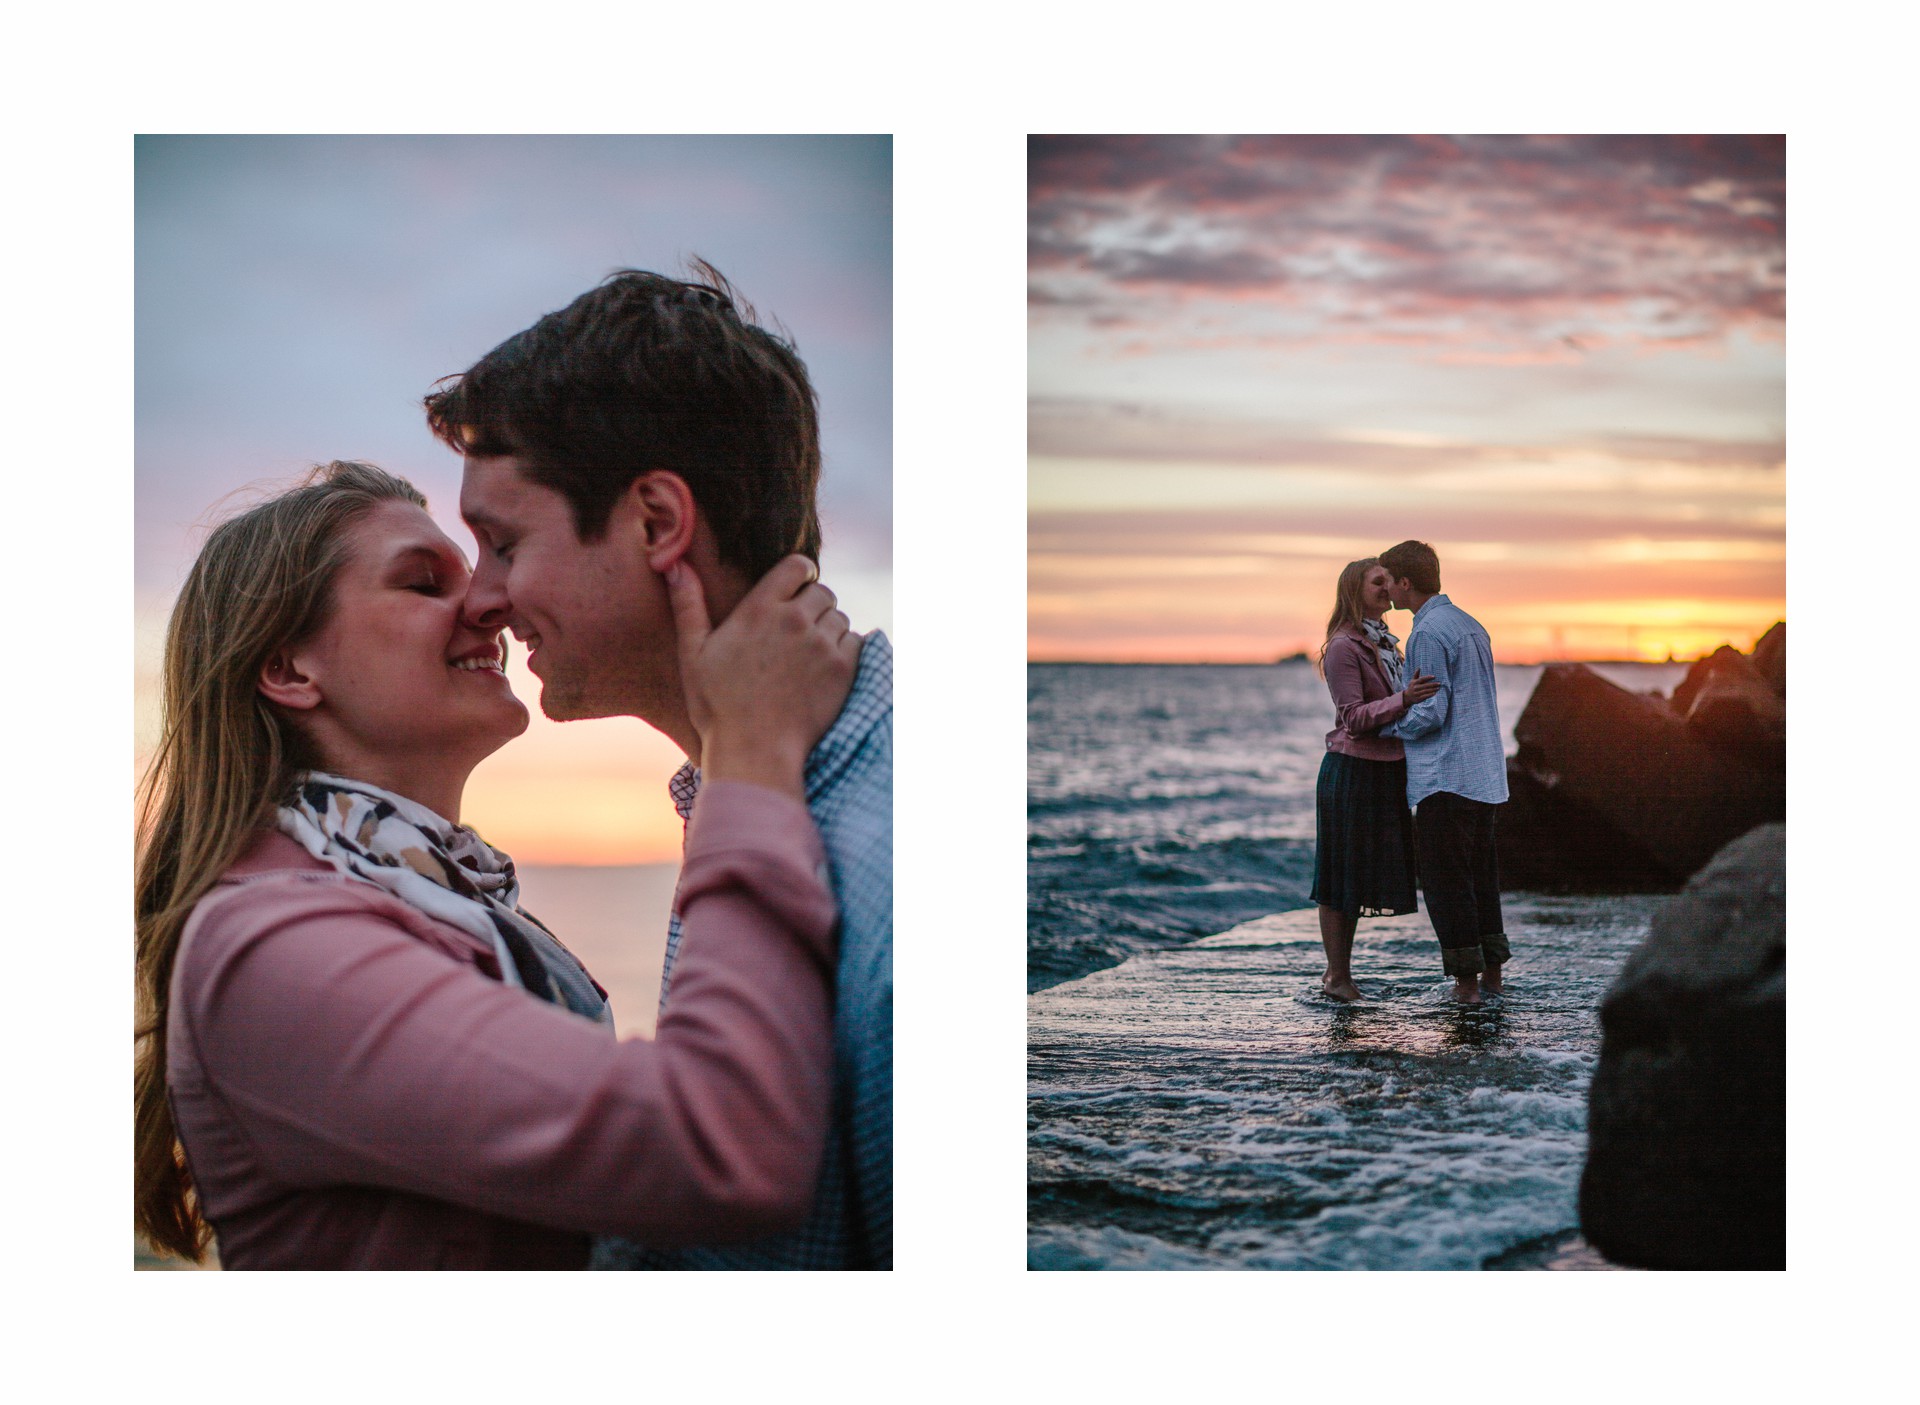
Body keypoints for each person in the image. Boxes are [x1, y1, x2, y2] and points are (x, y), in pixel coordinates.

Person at [134, 460, 860, 1269]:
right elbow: (716, 1144)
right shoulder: (267, 951)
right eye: (422, 582)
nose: (488, 602)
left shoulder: (437, 895)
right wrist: (749, 760)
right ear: (290, 669)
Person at [423, 261, 893, 1270]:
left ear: (655, 523)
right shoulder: (757, 788)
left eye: (501, 543)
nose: (482, 599)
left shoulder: (886, 863)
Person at [1376, 540, 1511, 1004]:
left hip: (1446, 777)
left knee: (1447, 884)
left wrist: (1387, 725)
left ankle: (1466, 988)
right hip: (1484, 776)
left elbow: (1431, 712)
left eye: (1389, 579)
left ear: (1405, 582)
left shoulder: (1428, 634)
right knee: (1481, 880)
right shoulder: (1471, 625)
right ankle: (1491, 979)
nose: (1386, 589)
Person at [1310, 558, 1439, 1000]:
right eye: (1377, 581)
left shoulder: (1385, 642)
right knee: (1339, 876)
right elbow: (1353, 718)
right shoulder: (1345, 646)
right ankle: (1337, 977)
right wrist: (1404, 699)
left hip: (1386, 771)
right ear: (1354, 589)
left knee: (1358, 875)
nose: (1388, 587)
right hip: (1352, 770)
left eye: (1389, 580)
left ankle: (1341, 975)